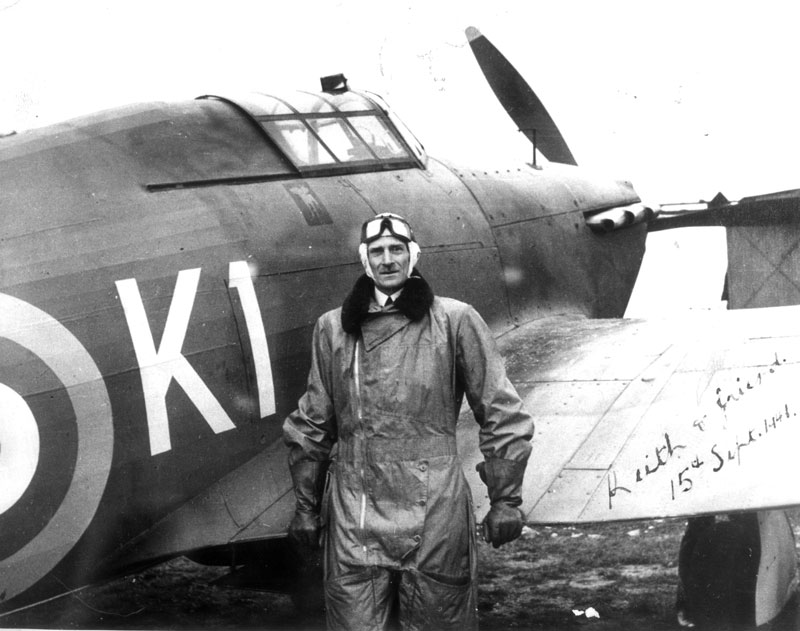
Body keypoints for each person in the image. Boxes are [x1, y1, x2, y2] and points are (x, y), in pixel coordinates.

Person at [283, 212, 534, 630]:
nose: (387, 260)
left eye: (396, 249)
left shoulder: (455, 320)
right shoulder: (332, 329)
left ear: (412, 255)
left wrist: (506, 500)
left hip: (435, 509)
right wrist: (306, 508)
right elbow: (312, 422)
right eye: (377, 251)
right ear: (365, 260)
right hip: (355, 509)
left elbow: (501, 409)